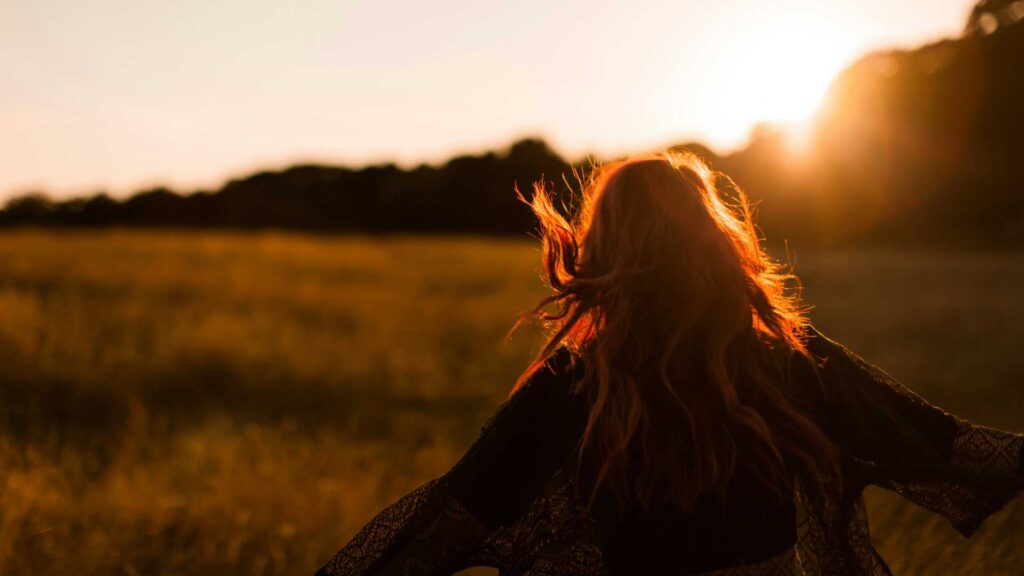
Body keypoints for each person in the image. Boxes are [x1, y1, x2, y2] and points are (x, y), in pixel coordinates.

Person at [314, 153, 1024, 575]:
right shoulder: (782, 359)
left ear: (605, 252)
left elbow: (439, 523)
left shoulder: (573, 386)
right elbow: (952, 447)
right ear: (714, 242)